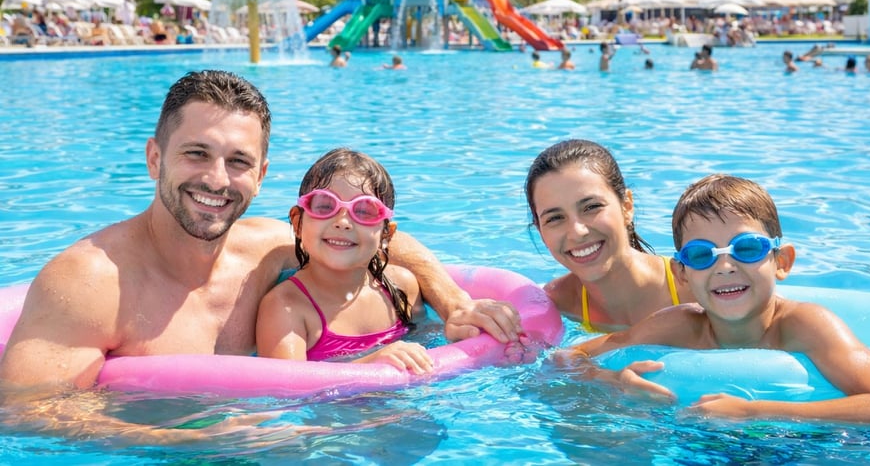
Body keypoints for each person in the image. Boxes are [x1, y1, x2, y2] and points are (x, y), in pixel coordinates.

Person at [0, 70, 521, 393]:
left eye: (238, 161)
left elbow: (377, 241)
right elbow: (31, 416)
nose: (216, 180)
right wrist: (204, 440)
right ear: (155, 157)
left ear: (262, 174)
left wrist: (453, 304)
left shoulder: (264, 247)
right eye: (196, 153)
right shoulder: (89, 283)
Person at [555, 173, 870, 429]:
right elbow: (568, 357)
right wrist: (610, 379)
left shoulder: (805, 326)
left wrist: (756, 411)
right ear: (682, 273)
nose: (725, 266)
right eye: (701, 255)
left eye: (747, 249)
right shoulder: (678, 325)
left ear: (782, 262)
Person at [256, 148, 432, 373]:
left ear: (386, 235)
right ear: (298, 222)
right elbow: (286, 388)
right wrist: (371, 363)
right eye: (325, 206)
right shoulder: (287, 307)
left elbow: (427, 344)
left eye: (364, 211)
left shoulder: (402, 287)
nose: (343, 222)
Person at [524, 139, 693, 332]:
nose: (577, 232)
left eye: (591, 207)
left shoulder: (694, 287)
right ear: (540, 231)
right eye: (555, 218)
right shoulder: (555, 304)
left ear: (627, 206)